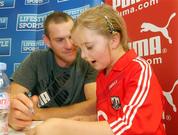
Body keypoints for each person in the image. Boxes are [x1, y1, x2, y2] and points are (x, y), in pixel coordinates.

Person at [25, 4, 166, 135]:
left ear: (114, 40)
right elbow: (109, 116)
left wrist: (63, 127)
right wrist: (86, 120)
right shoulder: (102, 75)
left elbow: (130, 126)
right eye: (80, 49)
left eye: (90, 47)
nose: (84, 56)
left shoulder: (138, 70)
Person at [8, 11, 97, 130]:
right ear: (47, 41)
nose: (69, 45)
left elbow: (93, 105)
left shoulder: (87, 57)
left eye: (71, 37)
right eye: (60, 40)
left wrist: (38, 113)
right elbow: (12, 100)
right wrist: (15, 115)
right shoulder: (36, 59)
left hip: (76, 128)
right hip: (43, 128)